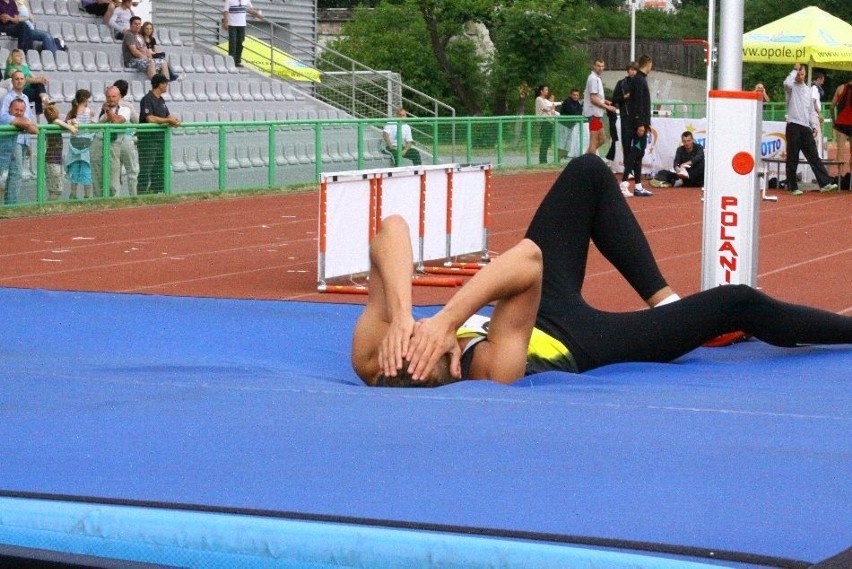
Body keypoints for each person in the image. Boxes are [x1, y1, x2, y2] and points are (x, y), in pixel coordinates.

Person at [351, 155, 852, 387]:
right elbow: (528, 259)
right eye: (431, 346)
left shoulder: (374, 359)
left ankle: (663, 297)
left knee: (587, 172)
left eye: (414, 339)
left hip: (535, 301)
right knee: (737, 301)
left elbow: (391, 229)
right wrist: (444, 322)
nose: (424, 337)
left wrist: (403, 316)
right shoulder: (487, 371)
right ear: (453, 366)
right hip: (584, 339)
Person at [783, 63, 838, 195]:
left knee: (814, 156)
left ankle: (825, 183)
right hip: (793, 125)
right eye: (798, 73)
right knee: (793, 157)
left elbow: (810, 110)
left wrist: (814, 125)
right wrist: (794, 70)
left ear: (806, 74)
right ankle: (793, 186)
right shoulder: (791, 87)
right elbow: (786, 83)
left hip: (805, 127)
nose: (800, 76)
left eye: (802, 73)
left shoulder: (808, 90)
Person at [138, 73, 180, 194]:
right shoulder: (147, 99)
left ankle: (153, 192)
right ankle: (141, 194)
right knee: (146, 169)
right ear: (159, 84)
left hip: (160, 139)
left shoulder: (161, 100)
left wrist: (174, 119)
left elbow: (167, 114)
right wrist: (168, 120)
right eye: (165, 83)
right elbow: (149, 118)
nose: (167, 86)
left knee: (160, 169)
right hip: (148, 141)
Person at [620, 54, 653, 197]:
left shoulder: (639, 80)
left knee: (638, 154)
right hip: (638, 124)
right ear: (648, 64)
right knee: (635, 153)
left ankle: (638, 186)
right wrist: (641, 124)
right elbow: (639, 104)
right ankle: (624, 182)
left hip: (640, 123)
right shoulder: (640, 81)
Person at [99, 85, 138, 196]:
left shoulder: (125, 109)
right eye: (108, 96)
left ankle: (134, 197)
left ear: (119, 97)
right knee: (113, 173)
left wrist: (107, 111)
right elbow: (97, 124)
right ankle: (115, 199)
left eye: (113, 96)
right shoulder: (104, 112)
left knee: (132, 170)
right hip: (111, 143)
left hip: (125, 141)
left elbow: (117, 121)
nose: (111, 99)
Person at [0, 97, 36, 205]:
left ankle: (6, 209)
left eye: (21, 111)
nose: (18, 113)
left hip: (6, 159)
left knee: (3, 185)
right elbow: (29, 126)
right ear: (9, 109)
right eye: (16, 110)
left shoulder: (19, 121)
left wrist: (25, 123)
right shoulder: (4, 117)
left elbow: (35, 130)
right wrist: (26, 123)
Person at [611, 61, 637, 196]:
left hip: (637, 119)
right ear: (627, 70)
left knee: (637, 147)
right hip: (626, 118)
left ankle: (634, 174)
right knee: (626, 145)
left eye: (635, 70)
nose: (632, 72)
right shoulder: (621, 83)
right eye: (630, 69)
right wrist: (624, 97)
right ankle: (629, 170)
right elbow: (614, 99)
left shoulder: (640, 83)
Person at [43, 102, 77, 201]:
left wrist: (72, 121)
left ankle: (50, 207)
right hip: (52, 161)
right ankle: (50, 207)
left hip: (56, 160)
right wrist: (71, 127)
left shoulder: (56, 124)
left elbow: (65, 122)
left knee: (54, 189)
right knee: (56, 190)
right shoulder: (53, 123)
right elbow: (58, 121)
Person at [65, 89, 96, 199]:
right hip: (86, 142)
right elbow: (93, 117)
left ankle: (73, 194)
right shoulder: (88, 111)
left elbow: (66, 123)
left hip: (74, 142)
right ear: (85, 99)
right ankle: (88, 195)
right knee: (87, 169)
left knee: (74, 169)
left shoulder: (72, 112)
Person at [582, 59, 616, 157]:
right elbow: (593, 98)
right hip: (593, 114)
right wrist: (607, 107)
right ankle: (588, 163)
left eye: (602, 66)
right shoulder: (593, 78)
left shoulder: (597, 78)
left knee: (602, 139)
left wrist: (605, 101)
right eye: (598, 66)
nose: (600, 68)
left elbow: (597, 97)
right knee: (594, 141)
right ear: (594, 66)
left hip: (596, 115)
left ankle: (585, 158)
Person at [122, 16, 173, 81]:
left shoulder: (140, 36)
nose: (137, 26)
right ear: (131, 25)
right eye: (135, 24)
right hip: (132, 61)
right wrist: (147, 58)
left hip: (143, 59)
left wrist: (151, 57)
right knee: (151, 63)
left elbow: (146, 50)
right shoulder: (129, 35)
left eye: (139, 24)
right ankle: (156, 86)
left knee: (163, 62)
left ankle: (165, 85)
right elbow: (134, 51)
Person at [4, 49, 49, 117]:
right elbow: (22, 79)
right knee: (38, 91)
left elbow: (34, 78)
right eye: (18, 56)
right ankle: (41, 109)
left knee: (39, 85)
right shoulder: (10, 68)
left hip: (28, 90)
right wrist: (39, 80)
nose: (21, 57)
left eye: (21, 56)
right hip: (19, 91)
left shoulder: (25, 67)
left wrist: (42, 79)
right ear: (12, 57)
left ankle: (44, 99)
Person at [222, 0, 263, 68]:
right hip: (232, 24)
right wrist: (225, 22)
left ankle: (237, 61)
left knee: (240, 43)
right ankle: (231, 62)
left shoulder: (246, 0)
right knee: (233, 43)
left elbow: (250, 9)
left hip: (242, 24)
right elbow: (226, 11)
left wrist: (257, 14)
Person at [829, 78, 852, 182]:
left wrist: (834, 121)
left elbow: (831, 106)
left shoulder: (840, 88)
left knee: (840, 150)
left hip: (841, 122)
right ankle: (850, 179)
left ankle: (840, 177)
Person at [534, 84, 560, 164]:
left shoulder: (545, 100)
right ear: (541, 91)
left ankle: (544, 160)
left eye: (547, 90)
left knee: (547, 142)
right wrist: (552, 107)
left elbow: (551, 108)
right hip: (544, 122)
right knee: (544, 142)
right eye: (545, 90)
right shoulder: (539, 99)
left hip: (549, 122)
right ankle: (542, 161)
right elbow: (546, 108)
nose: (547, 91)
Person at [558, 88, 583, 160]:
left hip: (570, 126)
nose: (575, 96)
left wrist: (578, 113)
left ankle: (561, 158)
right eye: (574, 95)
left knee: (567, 144)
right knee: (561, 143)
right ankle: (557, 159)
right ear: (570, 95)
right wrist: (578, 114)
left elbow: (580, 112)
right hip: (563, 125)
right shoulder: (567, 101)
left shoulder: (577, 103)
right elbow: (574, 113)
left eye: (577, 95)